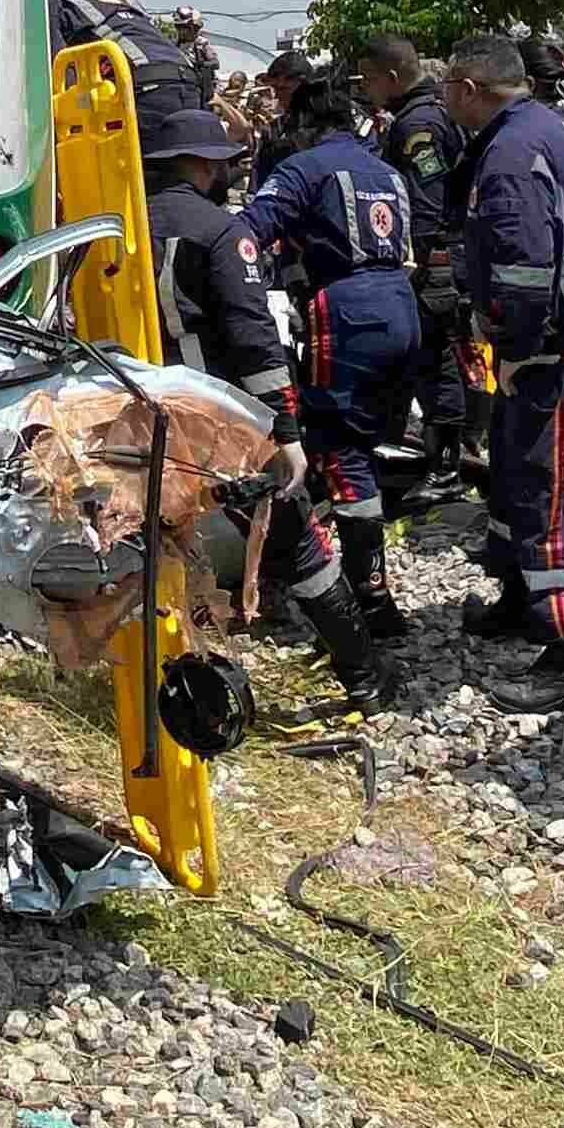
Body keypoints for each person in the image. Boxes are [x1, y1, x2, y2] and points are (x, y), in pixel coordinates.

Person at [139, 107, 397, 709]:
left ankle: (155, 681)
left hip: (140, 413)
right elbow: (254, 337)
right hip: (215, 420)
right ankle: (364, 675)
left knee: (151, 547)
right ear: (202, 166)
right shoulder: (222, 234)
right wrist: (283, 425)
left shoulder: (118, 223)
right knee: (295, 537)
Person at [444, 35, 564, 714]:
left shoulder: (512, 154)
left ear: (468, 88)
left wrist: (518, 346)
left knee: (560, 489)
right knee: (522, 473)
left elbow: (525, 269)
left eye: (446, 88)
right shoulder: (551, 127)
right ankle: (525, 600)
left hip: (561, 350)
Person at [234, 80, 424, 690]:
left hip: (343, 313)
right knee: (364, 447)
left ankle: (367, 599)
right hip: (402, 306)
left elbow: (245, 233)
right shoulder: (384, 170)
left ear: (301, 123)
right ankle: (371, 588)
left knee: (340, 452)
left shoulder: (304, 168)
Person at [357, 36, 473, 493]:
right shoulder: (429, 112)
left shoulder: (419, 123)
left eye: (368, 80)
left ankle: (445, 468)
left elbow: (428, 200)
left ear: (390, 77)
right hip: (443, 256)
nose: (365, 89)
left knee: (436, 359)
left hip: (434, 259)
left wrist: (423, 263)